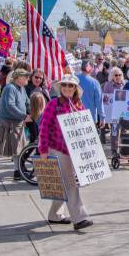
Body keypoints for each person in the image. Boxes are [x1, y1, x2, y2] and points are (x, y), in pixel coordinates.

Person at [37, 74, 93, 230]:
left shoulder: (78, 105)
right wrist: (43, 150)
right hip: (57, 149)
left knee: (62, 184)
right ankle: (79, 218)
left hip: (74, 151)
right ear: (60, 88)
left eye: (71, 86)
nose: (67, 88)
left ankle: (55, 215)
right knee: (70, 183)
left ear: (75, 89)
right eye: (65, 85)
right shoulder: (53, 104)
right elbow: (44, 127)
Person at [0, 69, 30, 182]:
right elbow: (10, 106)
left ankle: (17, 171)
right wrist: (24, 116)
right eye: (25, 77)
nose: (27, 79)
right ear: (18, 78)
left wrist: (32, 111)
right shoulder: (10, 88)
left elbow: (27, 102)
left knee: (17, 148)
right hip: (5, 123)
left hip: (15, 123)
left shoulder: (21, 88)